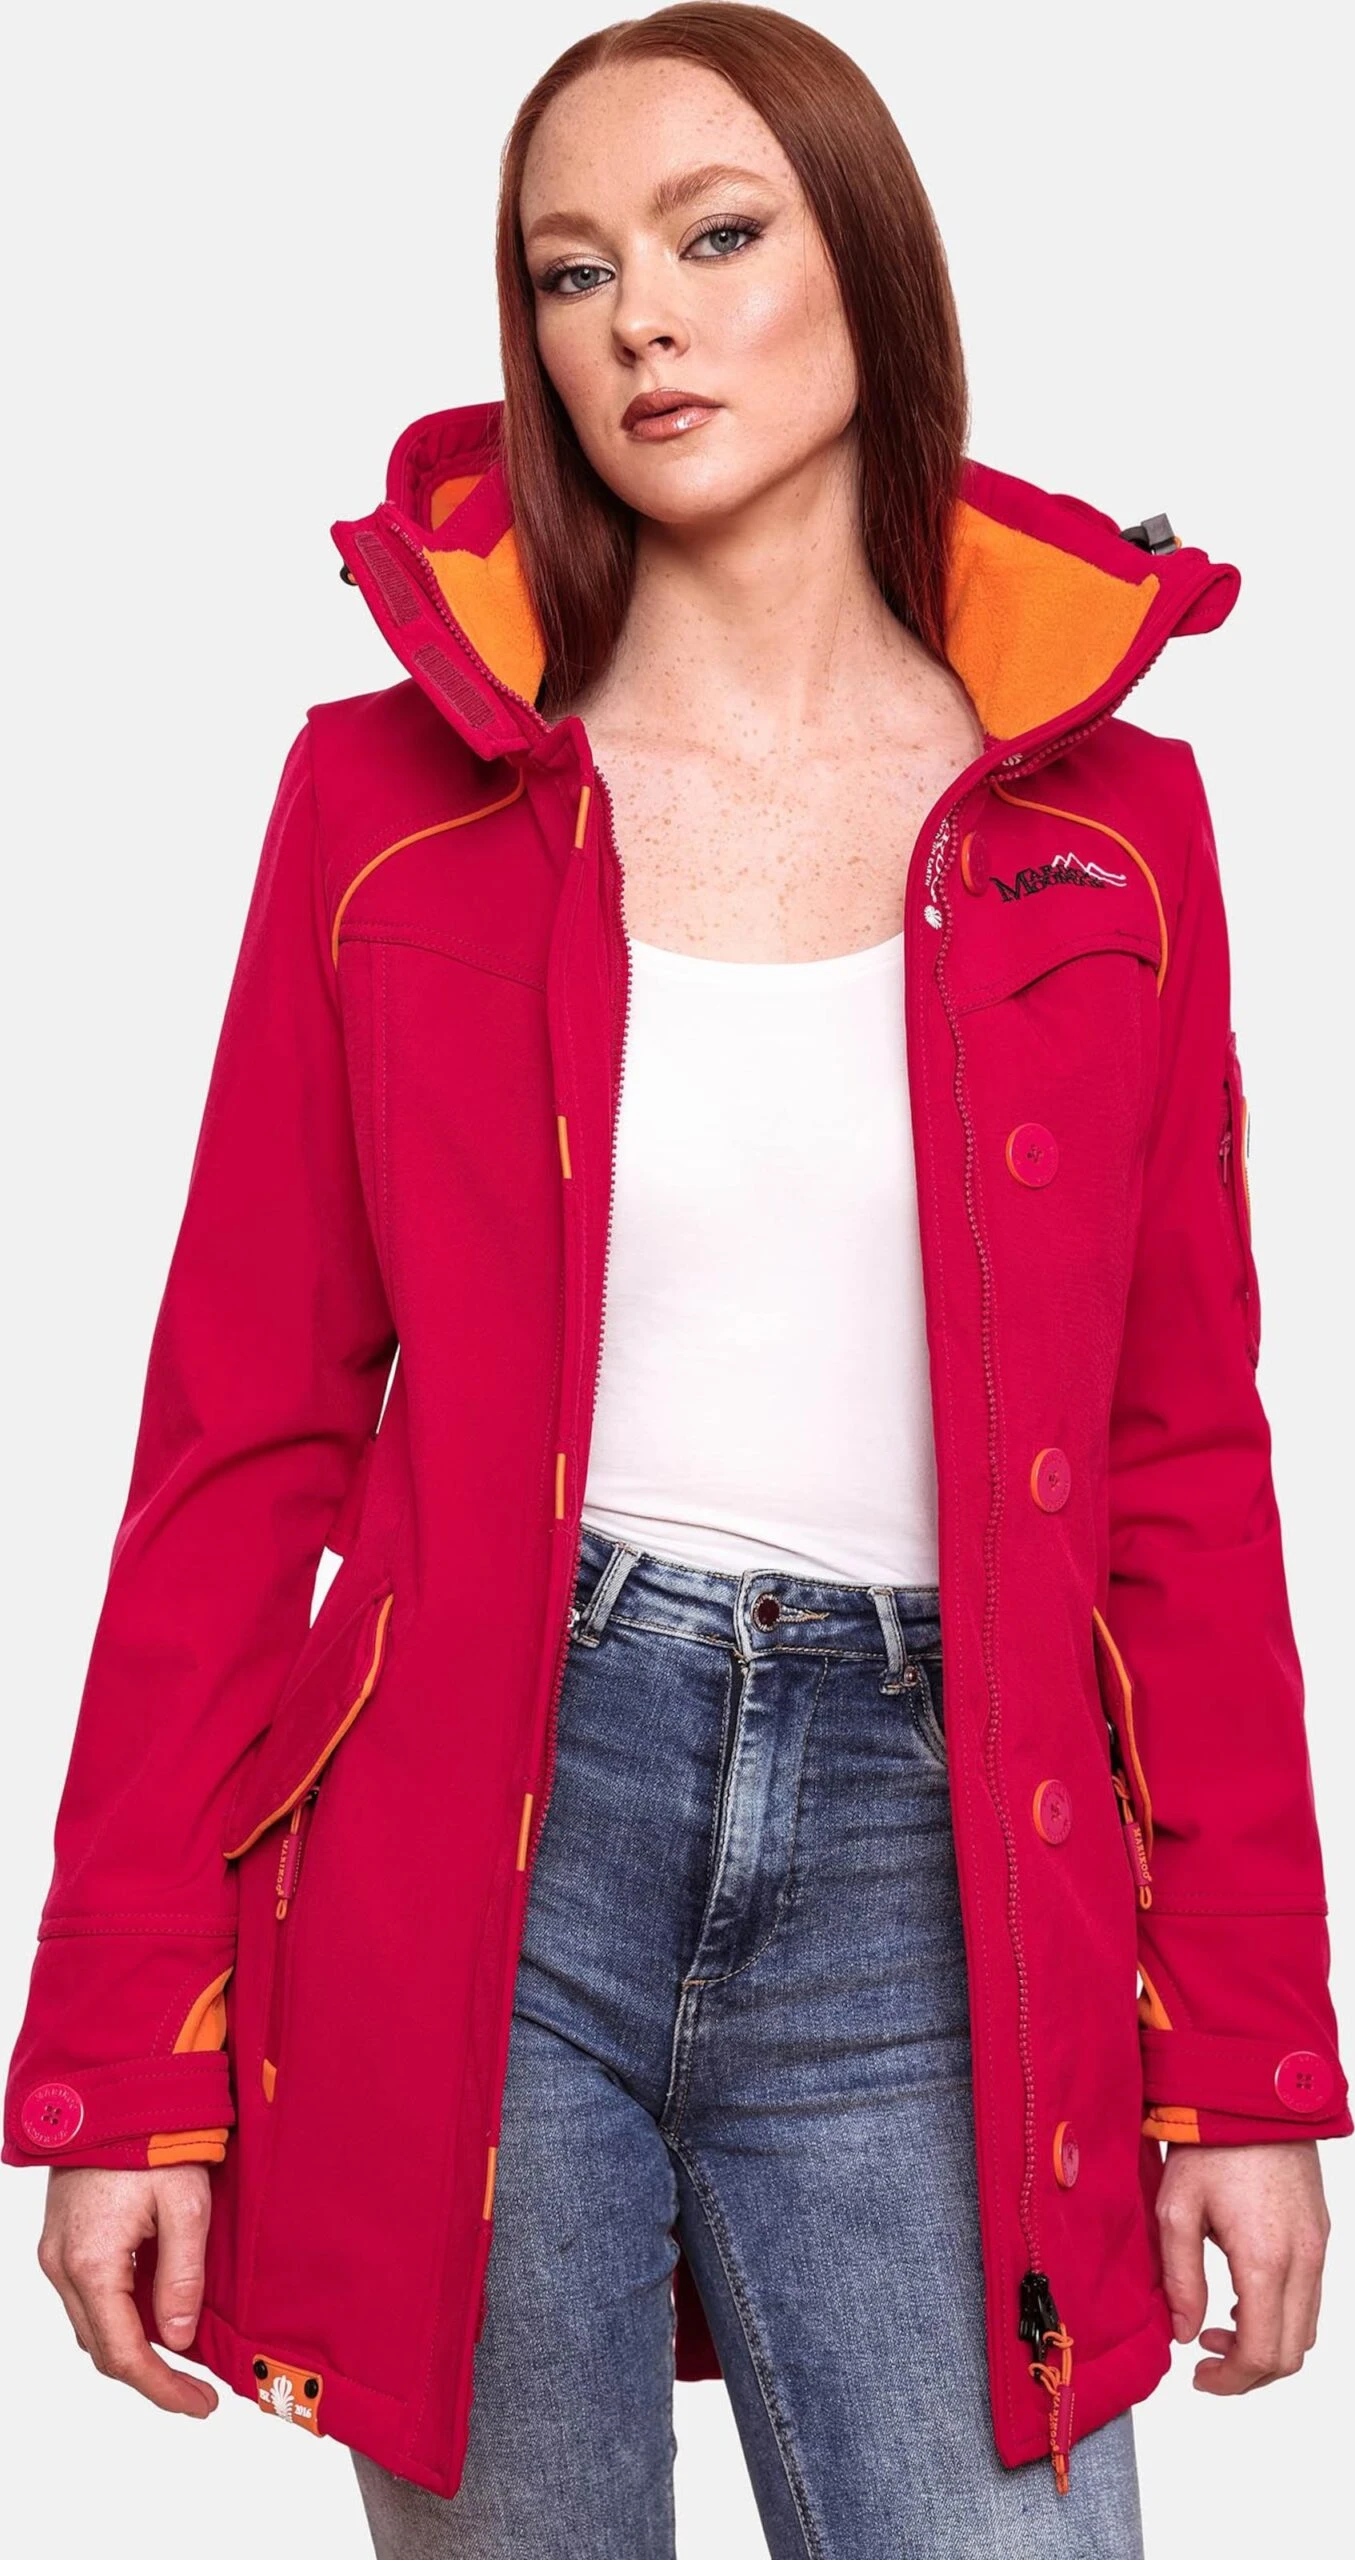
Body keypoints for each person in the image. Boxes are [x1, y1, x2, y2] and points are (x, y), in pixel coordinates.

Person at [5, 7, 1348, 2555]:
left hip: (939, 1865)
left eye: (713, 235)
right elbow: (239, 1444)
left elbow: (1180, 1460)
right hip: (477, 1850)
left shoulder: (1112, 832)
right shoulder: (379, 808)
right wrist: (119, 2058)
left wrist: (1250, 2048)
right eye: (568, 269)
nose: (635, 315)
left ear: (867, 266)